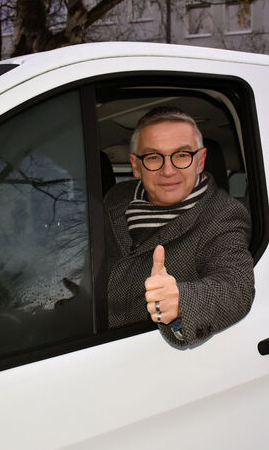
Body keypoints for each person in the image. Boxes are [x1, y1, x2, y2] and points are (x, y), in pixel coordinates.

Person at [104, 106, 255, 347]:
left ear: (200, 160)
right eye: (153, 157)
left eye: (182, 155)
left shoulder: (222, 216)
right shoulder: (116, 197)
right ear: (135, 165)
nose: (168, 170)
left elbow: (236, 286)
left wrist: (180, 302)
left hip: (146, 357)